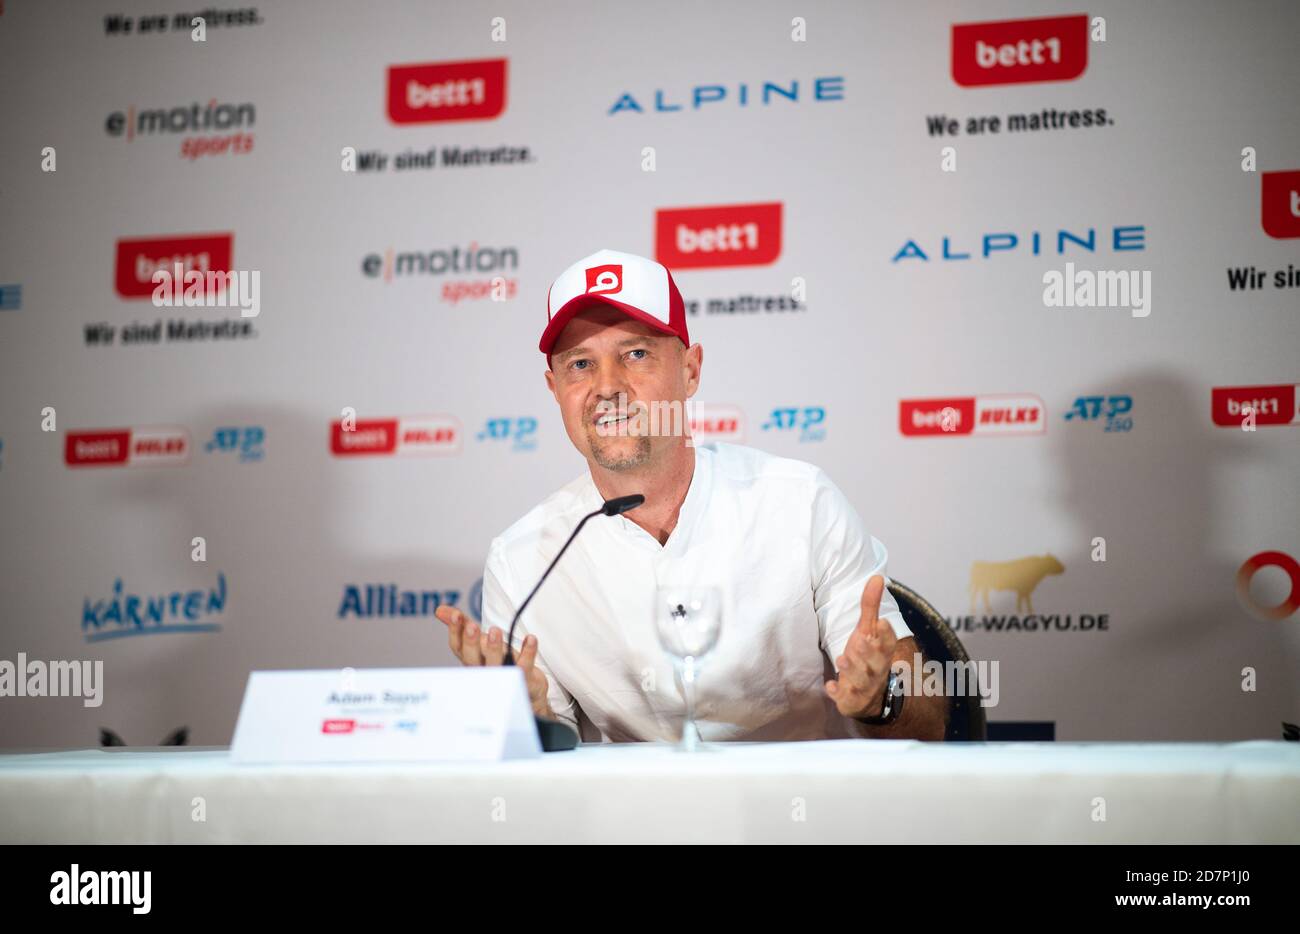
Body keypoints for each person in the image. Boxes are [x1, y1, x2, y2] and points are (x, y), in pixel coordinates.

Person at [435, 249, 946, 742]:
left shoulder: (801, 504)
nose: (607, 386)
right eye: (580, 365)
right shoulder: (523, 559)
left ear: (691, 370)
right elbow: (543, 762)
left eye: (636, 354)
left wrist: (885, 698)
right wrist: (526, 718)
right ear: (554, 388)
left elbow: (931, 724)